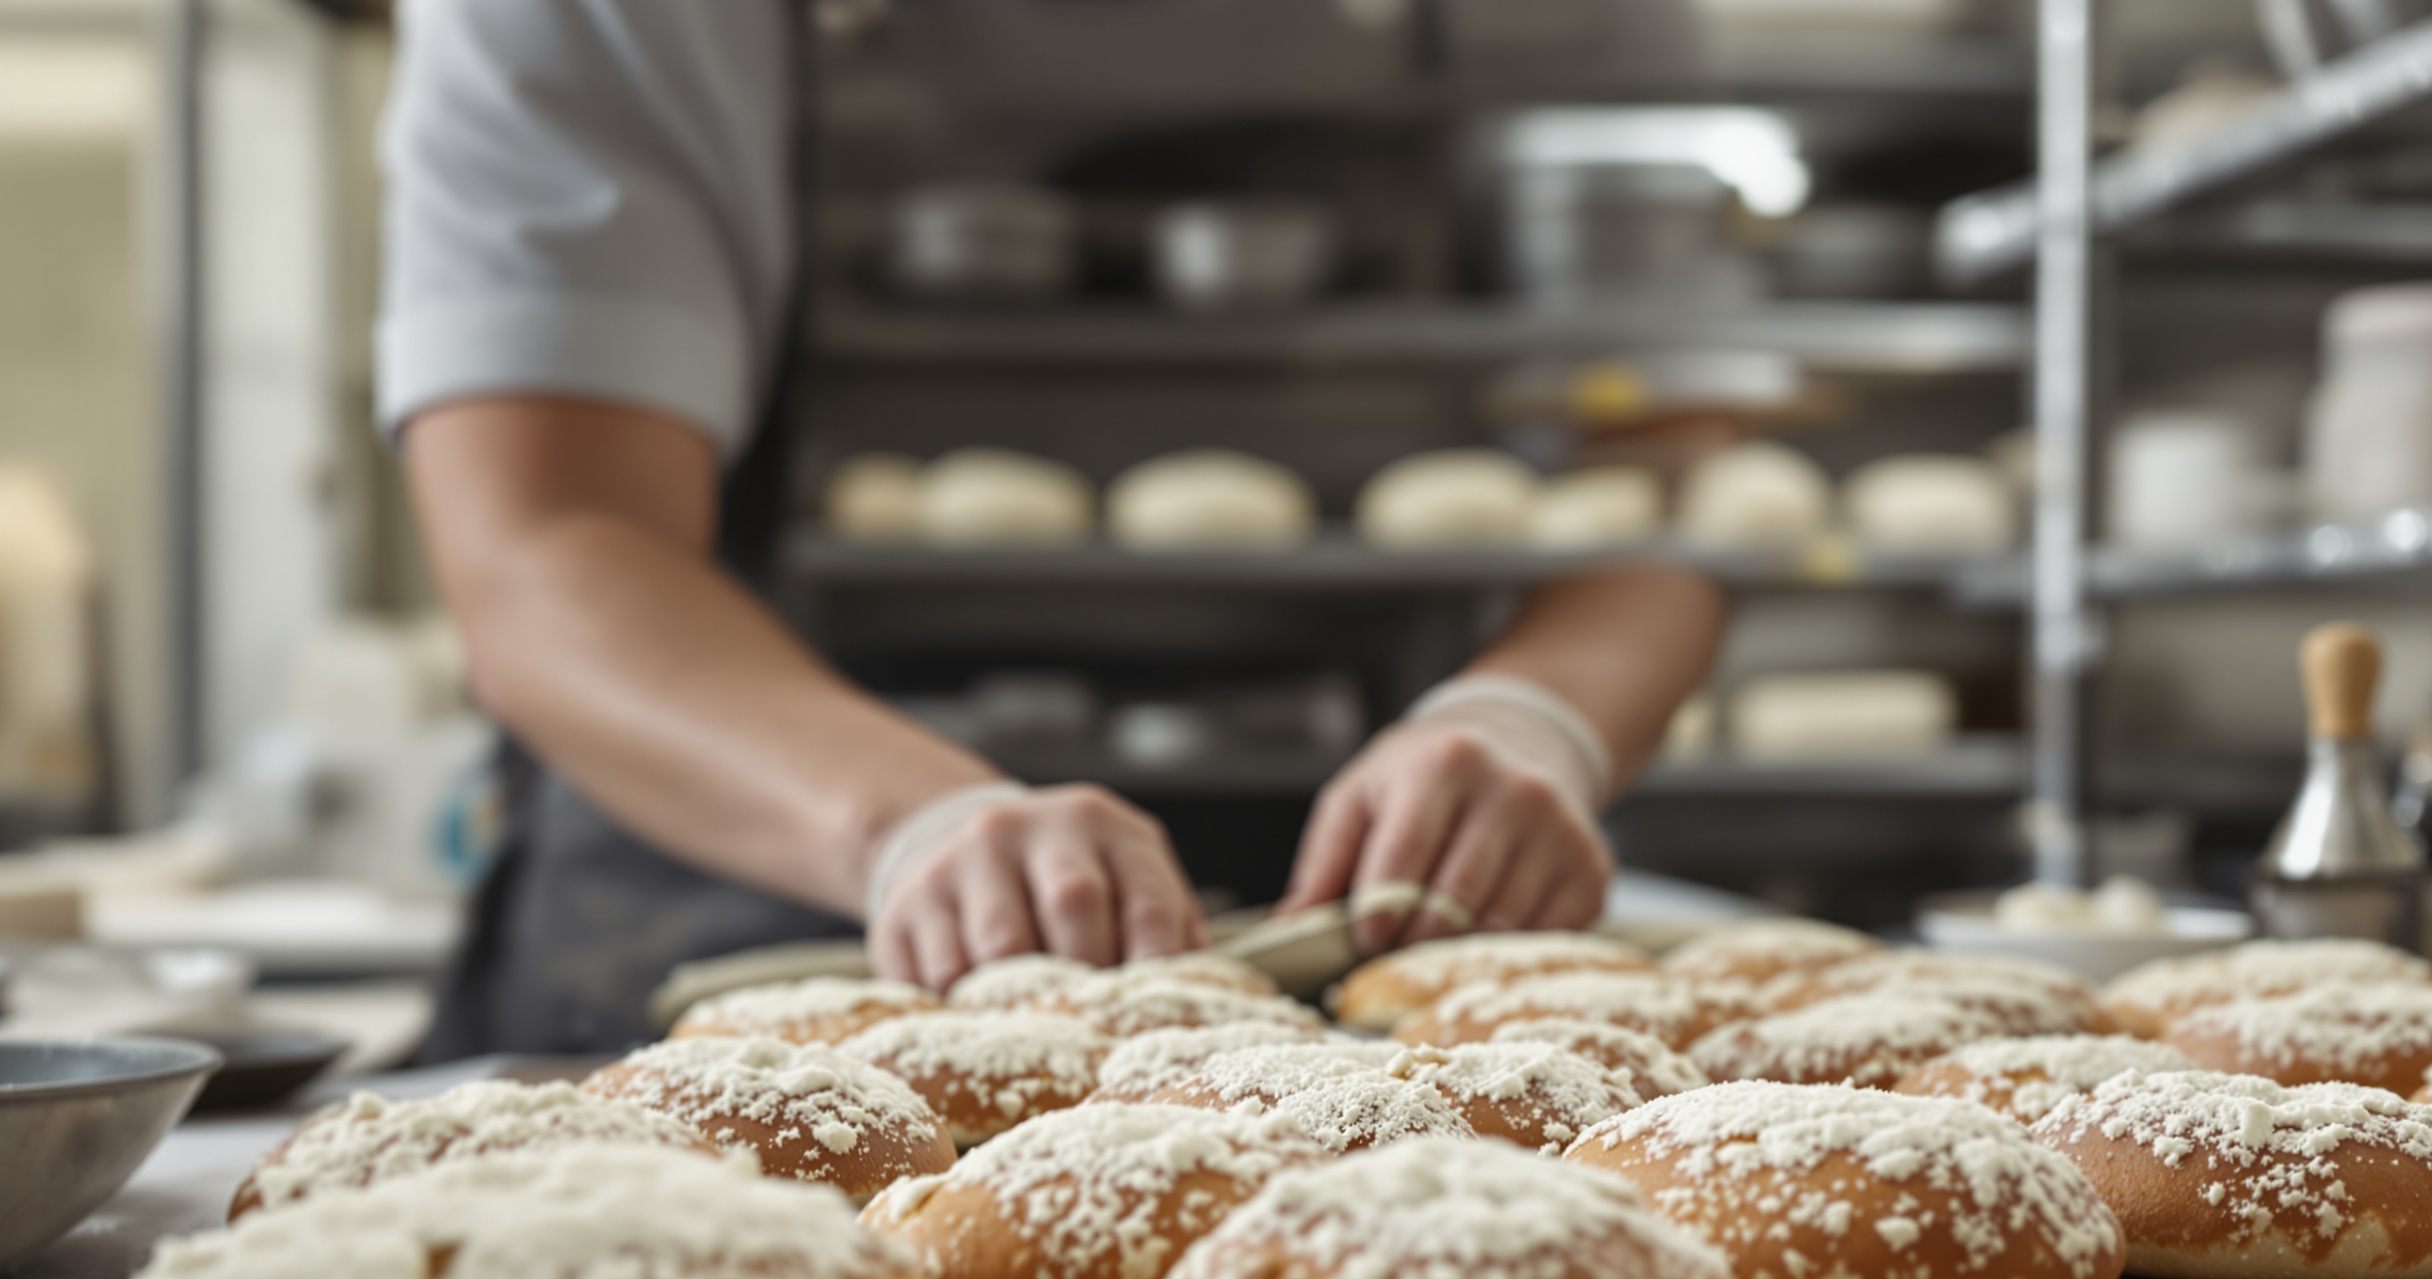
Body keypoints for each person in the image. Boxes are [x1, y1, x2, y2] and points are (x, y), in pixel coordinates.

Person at [382, 0, 1724, 1055]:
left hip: (1380, 925)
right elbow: (551, 540)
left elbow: (1662, 485)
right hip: (759, 902)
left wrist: (1532, 716)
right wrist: (910, 826)